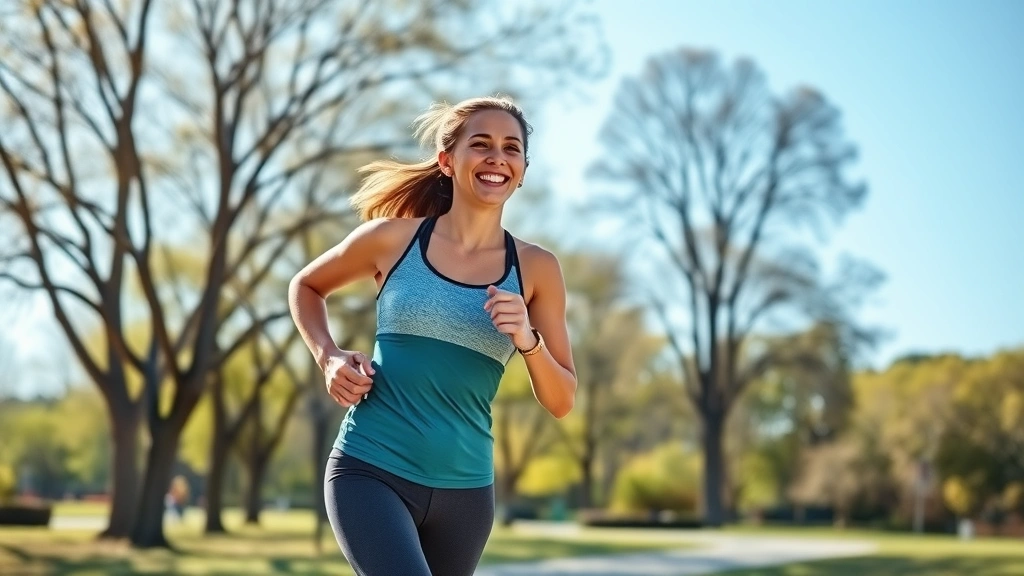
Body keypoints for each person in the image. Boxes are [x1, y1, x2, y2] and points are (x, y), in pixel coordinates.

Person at [288, 95, 577, 576]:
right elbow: (307, 285)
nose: (496, 158)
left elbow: (562, 399)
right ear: (448, 161)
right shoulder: (393, 240)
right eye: (480, 144)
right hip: (371, 469)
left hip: (466, 494)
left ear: (523, 169)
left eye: (511, 149)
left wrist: (528, 341)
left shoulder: (537, 269)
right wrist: (329, 356)